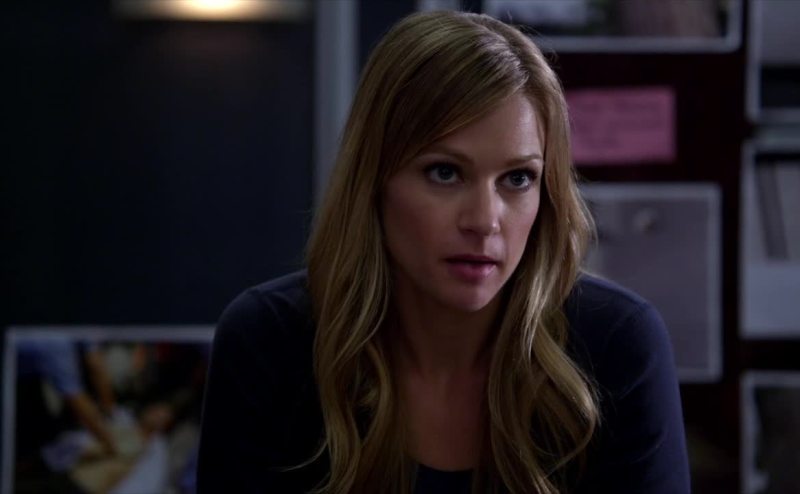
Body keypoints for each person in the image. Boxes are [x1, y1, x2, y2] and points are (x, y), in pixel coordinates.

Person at [197, 10, 689, 494]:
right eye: (445, 173)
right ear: (375, 181)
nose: (484, 220)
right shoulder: (270, 344)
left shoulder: (614, 347)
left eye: (518, 179)